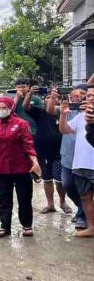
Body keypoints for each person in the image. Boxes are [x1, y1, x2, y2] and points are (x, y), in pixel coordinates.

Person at [0, 97, 41, 237]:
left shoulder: (21, 124)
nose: (1, 110)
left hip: (21, 167)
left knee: (24, 197)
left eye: (4, 107)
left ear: (10, 108)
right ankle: (4, 226)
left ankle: (27, 225)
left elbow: (28, 144)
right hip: (2, 167)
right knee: (3, 198)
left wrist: (35, 161)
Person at [23, 86, 72, 215]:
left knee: (60, 180)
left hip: (59, 152)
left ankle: (62, 202)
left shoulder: (64, 112)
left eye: (55, 98)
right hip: (42, 152)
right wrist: (29, 94)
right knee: (47, 179)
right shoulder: (40, 112)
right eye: (49, 97)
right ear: (45, 100)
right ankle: (50, 204)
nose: (52, 99)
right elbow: (25, 106)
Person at [46, 87, 87, 229]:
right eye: (77, 93)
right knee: (67, 185)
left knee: (85, 188)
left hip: (85, 159)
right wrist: (53, 97)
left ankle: (82, 215)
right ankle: (84, 209)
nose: (80, 96)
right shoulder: (66, 109)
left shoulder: (89, 111)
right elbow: (50, 110)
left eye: (83, 94)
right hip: (68, 156)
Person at [59, 85, 94, 238]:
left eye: (93, 95)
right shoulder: (80, 116)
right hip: (81, 164)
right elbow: (64, 130)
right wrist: (62, 115)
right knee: (85, 197)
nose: (90, 98)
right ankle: (92, 228)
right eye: (89, 96)